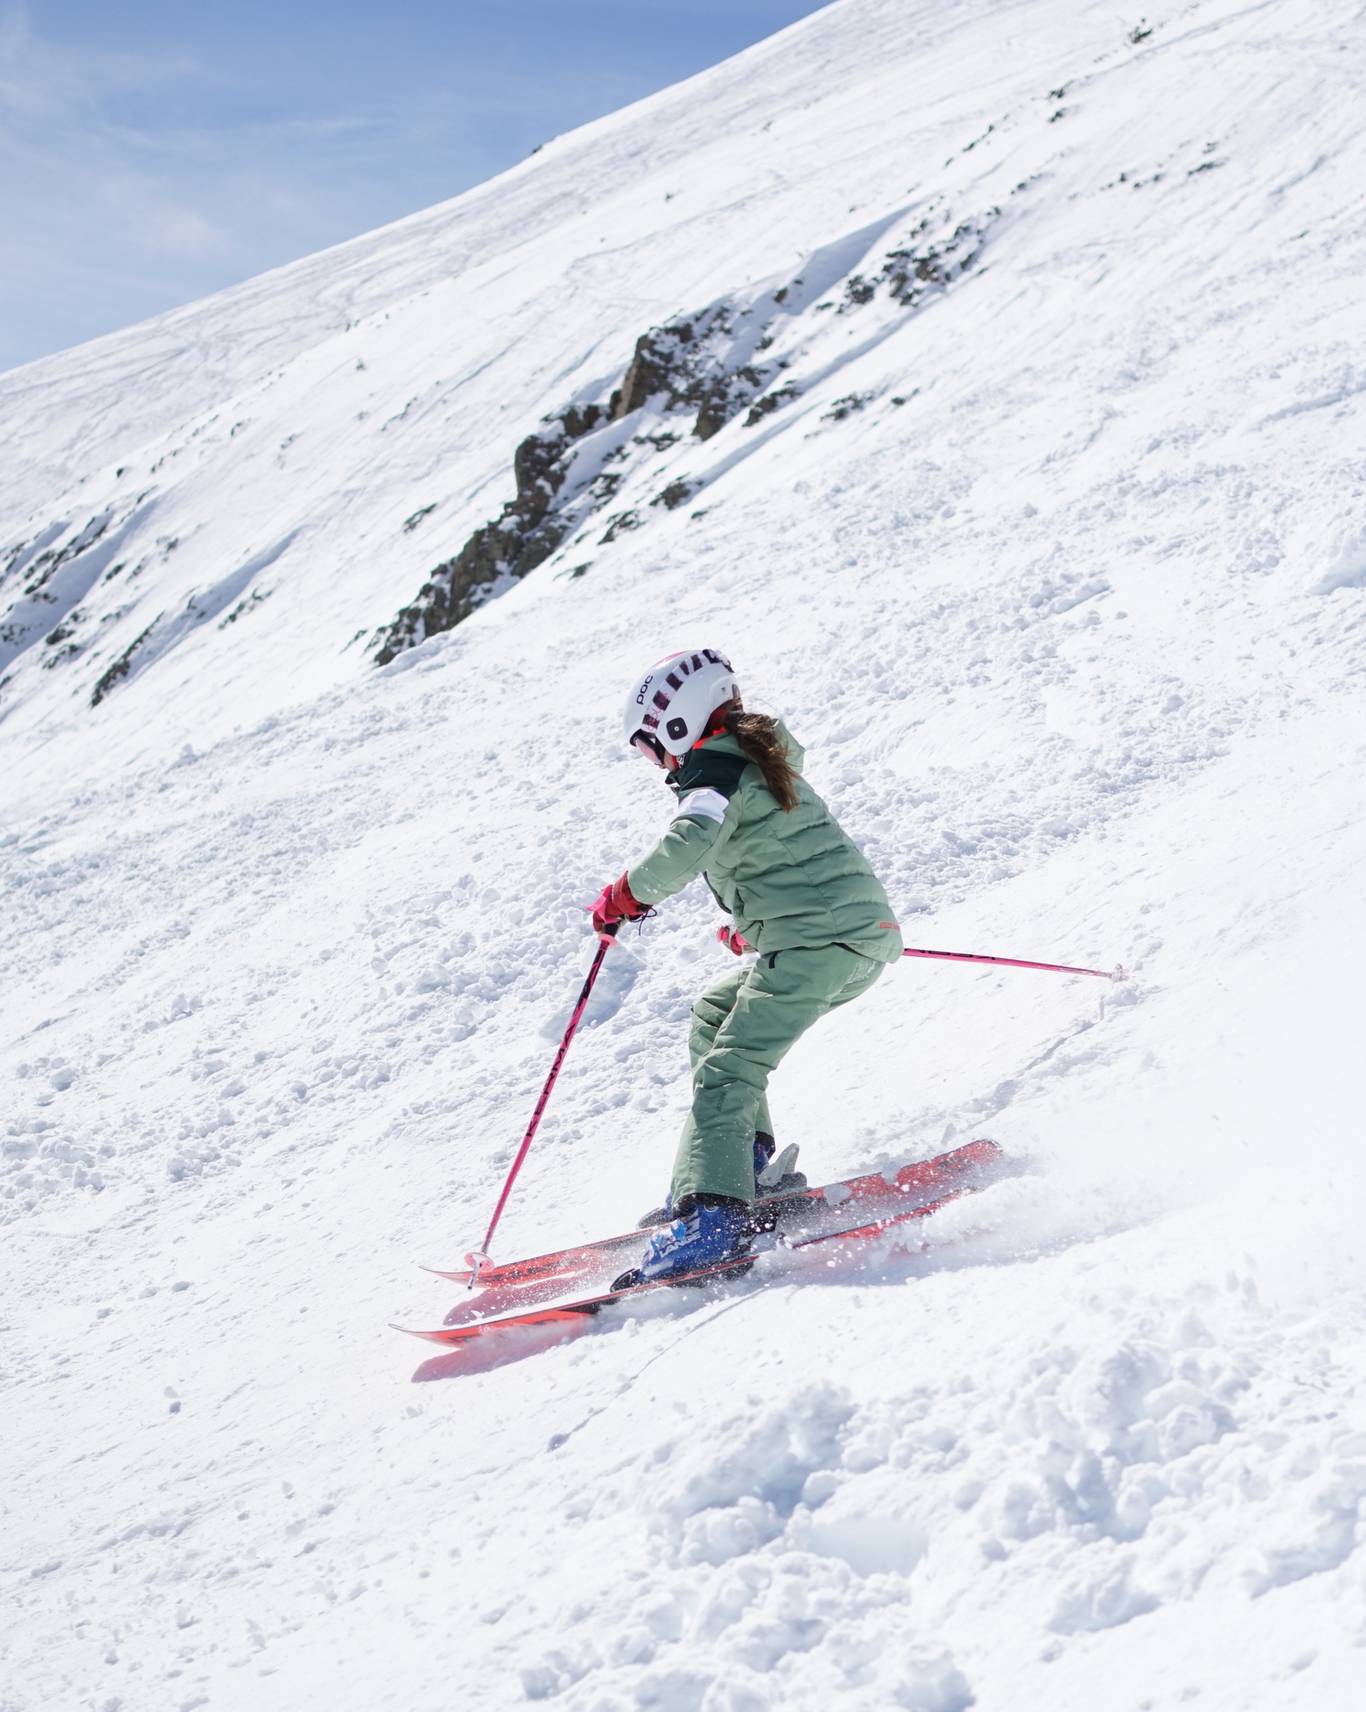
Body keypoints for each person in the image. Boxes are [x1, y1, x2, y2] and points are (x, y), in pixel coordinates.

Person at [592, 647, 903, 1283]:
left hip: (819, 943)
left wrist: (628, 893)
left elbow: (690, 842)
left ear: (677, 723)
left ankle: (713, 1213)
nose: (656, 764)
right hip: (841, 936)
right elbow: (786, 858)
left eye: (651, 747)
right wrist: (754, 926)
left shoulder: (715, 778)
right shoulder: (756, 764)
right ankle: (747, 1168)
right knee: (714, 1015)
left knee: (728, 1069)